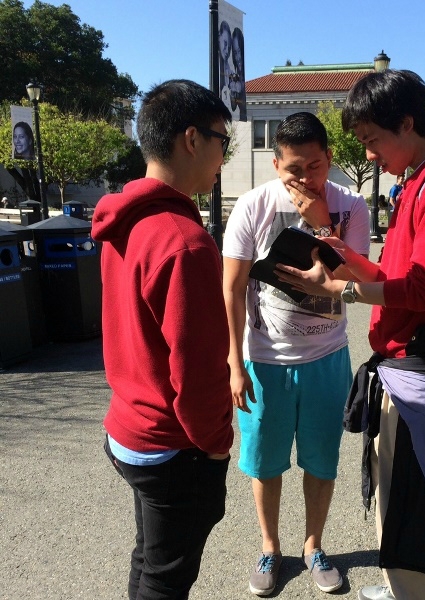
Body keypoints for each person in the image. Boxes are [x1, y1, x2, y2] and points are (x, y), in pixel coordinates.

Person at [274, 70, 425, 600]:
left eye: (372, 140)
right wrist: (337, 256)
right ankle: (403, 586)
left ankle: (419, 593)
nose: (369, 156)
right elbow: (391, 272)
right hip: (402, 362)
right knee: (398, 488)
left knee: (419, 495)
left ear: (408, 124)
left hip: (422, 363)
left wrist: (339, 293)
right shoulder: (419, 177)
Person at [91, 80, 234, 600]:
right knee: (167, 578)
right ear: (191, 139)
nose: (224, 154)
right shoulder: (184, 243)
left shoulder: (123, 222)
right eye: (224, 139)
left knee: (150, 560)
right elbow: (197, 374)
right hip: (170, 443)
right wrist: (218, 446)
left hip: (127, 427)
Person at [222, 111, 370, 596]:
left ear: (329, 159)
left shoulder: (353, 206)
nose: (305, 179)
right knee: (265, 461)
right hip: (265, 358)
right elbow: (232, 287)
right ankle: (270, 546)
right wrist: (234, 363)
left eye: (315, 166)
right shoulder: (251, 206)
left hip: (326, 356)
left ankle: (313, 545)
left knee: (321, 459)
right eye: (294, 170)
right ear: (275, 164)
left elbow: (357, 281)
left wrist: (321, 223)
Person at [230, 27, 247, 120]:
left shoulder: (242, 80)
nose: (238, 57)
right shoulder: (232, 77)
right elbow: (232, 107)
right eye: (235, 53)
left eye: (239, 52)